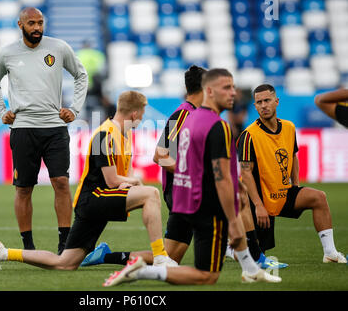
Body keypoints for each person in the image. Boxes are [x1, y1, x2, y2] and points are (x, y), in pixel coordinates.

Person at [81, 66, 286, 270]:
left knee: (170, 257)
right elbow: (160, 155)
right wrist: (192, 174)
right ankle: (252, 255)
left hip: (187, 190)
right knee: (237, 197)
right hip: (182, 190)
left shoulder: (198, 114)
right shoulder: (180, 116)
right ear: (205, 88)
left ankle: (106, 256)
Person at [0, 90, 177, 272]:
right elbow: (113, 180)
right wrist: (133, 182)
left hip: (99, 199)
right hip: (94, 200)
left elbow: (120, 179)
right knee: (151, 193)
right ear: (134, 114)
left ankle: (4, 252)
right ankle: (160, 257)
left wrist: (129, 182)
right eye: (140, 117)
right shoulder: (104, 135)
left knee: (65, 263)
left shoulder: (124, 135)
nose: (140, 121)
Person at [0, 7, 88, 254]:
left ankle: (65, 245)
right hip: (23, 129)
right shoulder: (8, 53)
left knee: (61, 182)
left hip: (55, 127)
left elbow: (81, 75)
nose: (37, 28)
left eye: (40, 23)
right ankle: (28, 246)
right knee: (23, 188)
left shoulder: (59, 48)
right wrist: (1, 111)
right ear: (20, 25)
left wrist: (74, 109)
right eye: (31, 23)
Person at [237, 84, 346, 263]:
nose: (263, 105)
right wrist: (258, 206)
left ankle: (330, 253)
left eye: (267, 100)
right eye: (259, 102)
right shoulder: (249, 135)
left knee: (319, 197)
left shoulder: (289, 127)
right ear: (255, 106)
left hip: (283, 193)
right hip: (258, 200)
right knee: (254, 254)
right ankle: (227, 246)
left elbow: (293, 157)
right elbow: (246, 173)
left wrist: (295, 186)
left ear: (276, 101)